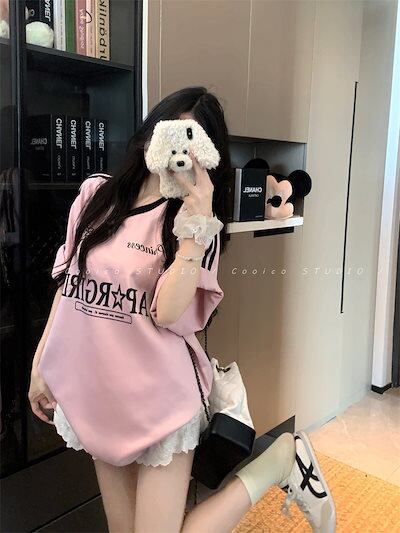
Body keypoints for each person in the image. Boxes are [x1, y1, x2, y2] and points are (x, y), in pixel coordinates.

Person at [28, 87, 336, 533]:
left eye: (192, 142)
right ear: (150, 131)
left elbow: (168, 313)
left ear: (207, 156)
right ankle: (279, 460)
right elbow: (69, 286)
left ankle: (278, 461)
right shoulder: (95, 194)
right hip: (97, 390)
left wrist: (196, 225)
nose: (176, 150)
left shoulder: (197, 225)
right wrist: (41, 363)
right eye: (171, 131)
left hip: (161, 400)